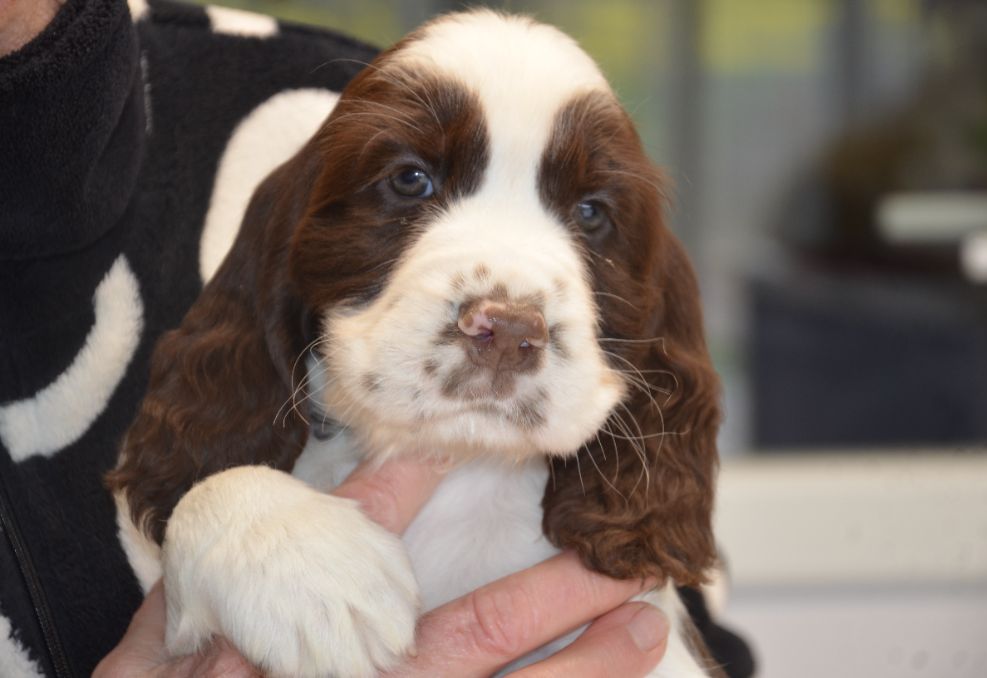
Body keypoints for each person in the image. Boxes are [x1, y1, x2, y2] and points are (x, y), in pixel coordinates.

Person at [0, 1, 753, 676]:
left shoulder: (291, 77)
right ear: (284, 251)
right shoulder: (263, 495)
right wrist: (221, 519)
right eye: (410, 181)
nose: (504, 319)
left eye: (591, 214)